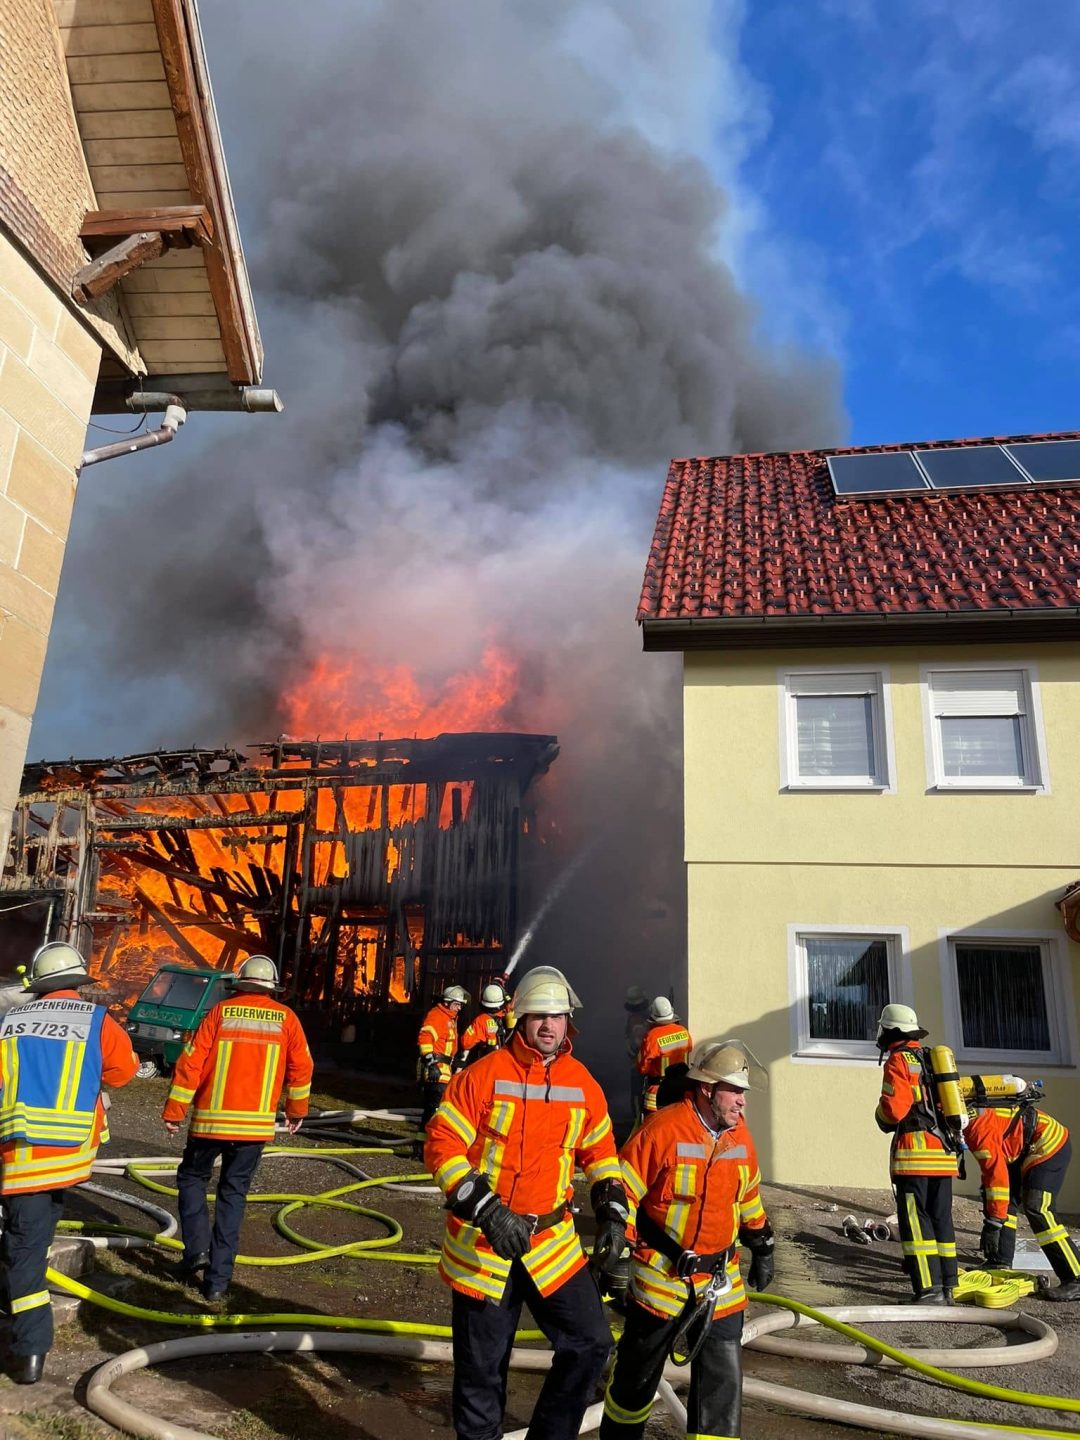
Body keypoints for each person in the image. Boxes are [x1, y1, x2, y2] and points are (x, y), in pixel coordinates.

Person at [425, 964, 627, 1440]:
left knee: (591, 1343)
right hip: (484, 1246)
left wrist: (614, 1212)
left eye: (557, 1017)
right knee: (481, 1372)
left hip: (551, 1242)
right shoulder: (482, 1076)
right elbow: (442, 1145)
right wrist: (488, 1209)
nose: (549, 1025)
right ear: (520, 1018)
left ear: (568, 1023)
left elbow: (600, 1153)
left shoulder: (583, 1083)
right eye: (539, 1015)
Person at [599, 1038, 774, 1440]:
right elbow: (621, 1192)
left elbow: (748, 1197)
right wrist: (616, 1255)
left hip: (720, 1285)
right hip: (662, 1282)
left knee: (721, 1393)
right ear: (708, 1089)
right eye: (735, 1092)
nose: (742, 1103)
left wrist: (762, 1243)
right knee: (635, 1383)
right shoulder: (662, 1129)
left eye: (744, 1093)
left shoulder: (740, 1139)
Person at [0, 942, 138, 1384]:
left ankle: (30, 1349)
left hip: (23, 1154)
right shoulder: (98, 1020)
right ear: (77, 981)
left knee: (23, 1247)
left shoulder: (8, 1022)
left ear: (38, 985)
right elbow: (123, 1072)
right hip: (72, 1151)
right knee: (32, 1235)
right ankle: (23, 1314)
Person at [162, 955, 312, 1302]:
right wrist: (296, 1110)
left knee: (192, 1179)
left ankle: (196, 1250)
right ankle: (217, 1283)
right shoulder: (287, 1020)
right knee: (233, 1196)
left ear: (239, 983)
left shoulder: (219, 1013)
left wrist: (174, 1110)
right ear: (271, 987)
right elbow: (302, 1067)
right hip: (253, 1129)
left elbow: (191, 1062)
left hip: (210, 1124)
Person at [874, 1003, 958, 1303]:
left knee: (915, 1222)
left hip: (915, 1157)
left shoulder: (899, 1060)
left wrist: (880, 1117)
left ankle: (928, 1290)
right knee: (941, 1221)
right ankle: (948, 1287)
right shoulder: (931, 1058)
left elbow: (893, 1110)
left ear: (891, 1031)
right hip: (944, 1155)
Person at [966, 1096, 1080, 1300]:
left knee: (1038, 1207)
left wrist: (993, 1224)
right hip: (1019, 1146)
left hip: (1048, 1142)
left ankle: (1076, 1277)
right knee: (1003, 1201)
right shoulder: (967, 1118)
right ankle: (999, 1262)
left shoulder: (977, 1129)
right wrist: (994, 1218)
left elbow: (995, 1176)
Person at [417, 983, 469, 1127]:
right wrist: (430, 1063)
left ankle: (425, 1143)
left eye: (460, 1005)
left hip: (444, 1071)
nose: (459, 1008)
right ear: (447, 1003)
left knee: (435, 1110)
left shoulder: (449, 1019)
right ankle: (423, 1145)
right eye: (457, 1004)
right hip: (436, 1071)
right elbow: (425, 1037)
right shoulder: (437, 1016)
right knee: (433, 1110)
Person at [635, 997, 692, 1117]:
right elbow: (689, 1050)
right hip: (683, 1089)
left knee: (654, 1124)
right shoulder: (683, 1031)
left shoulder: (652, 1036)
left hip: (659, 1092)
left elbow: (642, 1068)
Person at [456, 982, 511, 1068]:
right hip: (508, 1066)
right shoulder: (509, 1017)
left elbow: (466, 1042)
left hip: (488, 1067)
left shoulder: (481, 1021)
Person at [624, 985, 649, 1122]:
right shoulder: (638, 1019)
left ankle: (639, 1122)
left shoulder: (637, 1020)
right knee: (638, 1096)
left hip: (641, 1065)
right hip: (640, 1065)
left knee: (638, 1096)